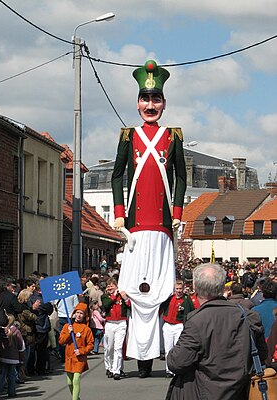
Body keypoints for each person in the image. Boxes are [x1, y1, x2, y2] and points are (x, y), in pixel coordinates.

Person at [111, 59, 186, 375]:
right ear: (137, 102)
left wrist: (178, 212)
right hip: (135, 227)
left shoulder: (173, 136)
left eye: (155, 99)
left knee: (161, 294)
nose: (150, 104)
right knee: (133, 294)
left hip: (163, 227)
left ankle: (161, 356)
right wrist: (118, 214)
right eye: (145, 98)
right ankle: (135, 357)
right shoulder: (128, 135)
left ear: (164, 103)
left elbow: (181, 177)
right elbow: (117, 176)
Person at [166, 263, 268, 400]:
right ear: (222, 286)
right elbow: (262, 354)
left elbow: (176, 362)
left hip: (204, 392)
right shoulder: (247, 316)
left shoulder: (197, 322)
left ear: (195, 287)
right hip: (239, 391)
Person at [161, 280, 198, 378]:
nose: (178, 291)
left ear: (183, 288)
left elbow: (192, 310)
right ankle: (168, 370)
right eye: (177, 289)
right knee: (168, 349)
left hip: (179, 325)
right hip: (168, 325)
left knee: (177, 348)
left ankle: (177, 369)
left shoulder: (187, 299)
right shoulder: (169, 298)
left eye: (180, 289)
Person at [59, 302, 94, 400]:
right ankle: (77, 398)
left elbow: (91, 344)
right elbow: (61, 341)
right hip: (69, 357)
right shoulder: (67, 326)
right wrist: (69, 333)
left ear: (85, 316)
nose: (78, 315)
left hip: (79, 358)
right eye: (77, 312)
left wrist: (82, 351)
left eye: (81, 313)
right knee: (69, 382)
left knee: (76, 380)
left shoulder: (86, 329)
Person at [101, 278, 130, 380]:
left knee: (118, 348)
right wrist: (114, 296)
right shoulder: (104, 296)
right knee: (109, 348)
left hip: (121, 323)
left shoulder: (121, 296)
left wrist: (125, 298)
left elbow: (129, 306)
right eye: (108, 286)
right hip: (110, 323)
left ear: (116, 286)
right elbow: (106, 305)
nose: (110, 287)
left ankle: (116, 370)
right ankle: (108, 367)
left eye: (112, 285)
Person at [0, 314, 25, 399]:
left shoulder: (1, 331)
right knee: (12, 375)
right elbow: (21, 346)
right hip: (13, 357)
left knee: (2, 374)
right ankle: (12, 392)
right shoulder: (17, 331)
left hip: (3, 356)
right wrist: (22, 358)